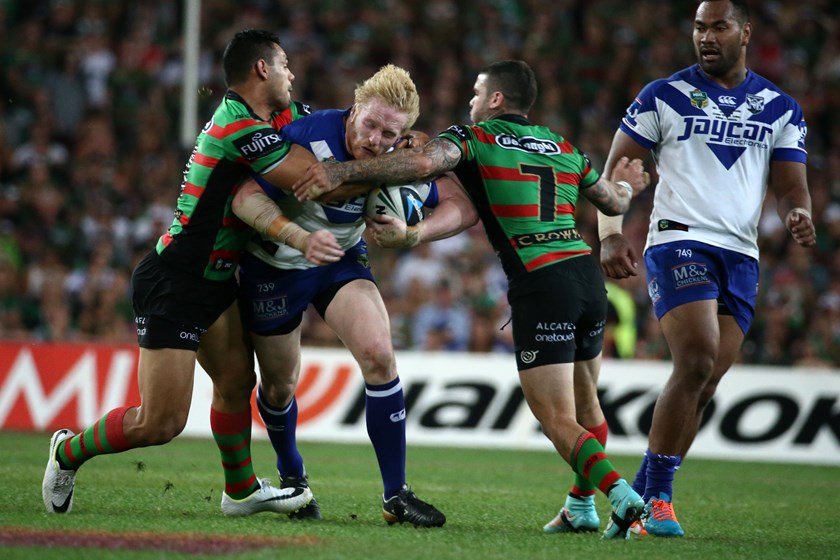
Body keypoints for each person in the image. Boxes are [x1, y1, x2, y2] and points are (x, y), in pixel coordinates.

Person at [291, 59, 651, 539]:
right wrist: (630, 185)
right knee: (589, 410)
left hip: (541, 284)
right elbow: (612, 200)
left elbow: (421, 164)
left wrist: (342, 172)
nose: (471, 102)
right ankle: (580, 505)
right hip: (586, 277)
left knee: (557, 419)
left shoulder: (473, 138)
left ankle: (623, 497)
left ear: (496, 99)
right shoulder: (562, 145)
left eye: (477, 93)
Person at [42, 29, 344, 517]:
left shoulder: (273, 116)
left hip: (216, 280)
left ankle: (241, 491)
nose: (293, 74)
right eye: (285, 64)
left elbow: (331, 129)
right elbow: (312, 176)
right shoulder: (236, 126)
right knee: (160, 423)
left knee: (234, 382)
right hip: (176, 279)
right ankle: (67, 450)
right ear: (261, 69)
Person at [594, 0, 816, 537]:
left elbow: (789, 185)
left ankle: (639, 499)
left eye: (718, 26)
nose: (706, 36)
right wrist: (611, 234)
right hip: (678, 242)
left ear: (745, 32)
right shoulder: (663, 94)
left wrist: (798, 213)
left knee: (707, 380)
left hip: (740, 255)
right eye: (699, 27)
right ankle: (661, 503)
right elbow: (615, 172)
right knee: (695, 360)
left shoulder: (780, 107)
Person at [231, 64, 475, 527]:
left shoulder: (402, 156)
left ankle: (396, 495)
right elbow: (244, 194)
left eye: (390, 132)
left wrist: (414, 234)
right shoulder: (307, 135)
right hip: (276, 267)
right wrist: (295, 237)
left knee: (380, 358)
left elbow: (464, 208)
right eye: (370, 125)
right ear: (354, 108)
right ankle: (293, 478)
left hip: (340, 262)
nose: (376, 140)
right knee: (280, 385)